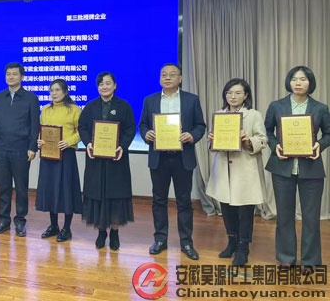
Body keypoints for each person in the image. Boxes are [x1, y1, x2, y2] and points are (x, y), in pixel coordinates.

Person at [264, 66, 330, 273]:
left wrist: (320, 145)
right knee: (284, 215)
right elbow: (268, 131)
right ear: (289, 82)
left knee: (311, 217)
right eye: (294, 79)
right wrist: (275, 146)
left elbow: (328, 134)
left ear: (310, 82)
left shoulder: (320, 108)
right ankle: (286, 258)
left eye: (303, 79)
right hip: (282, 168)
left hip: (311, 168)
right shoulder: (276, 106)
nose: (298, 83)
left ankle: (309, 260)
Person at [139, 63, 206, 260]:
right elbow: (142, 125)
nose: (167, 78)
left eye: (172, 74)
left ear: (180, 78)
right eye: (164, 75)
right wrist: (146, 134)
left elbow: (200, 126)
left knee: (184, 202)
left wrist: (192, 135)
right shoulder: (150, 100)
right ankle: (160, 239)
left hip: (182, 157)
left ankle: (186, 241)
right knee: (158, 200)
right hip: (159, 158)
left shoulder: (191, 100)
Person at [205, 78, 267, 266]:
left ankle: (243, 248)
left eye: (238, 93)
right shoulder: (219, 115)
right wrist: (212, 140)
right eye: (229, 93)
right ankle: (231, 242)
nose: (233, 96)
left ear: (245, 95)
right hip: (223, 169)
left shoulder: (253, 115)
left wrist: (247, 140)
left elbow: (262, 139)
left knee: (245, 212)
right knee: (226, 209)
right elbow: (213, 145)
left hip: (245, 169)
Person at [78, 72, 135, 251]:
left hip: (116, 160)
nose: (104, 86)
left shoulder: (124, 106)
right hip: (95, 160)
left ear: (115, 85)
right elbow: (82, 127)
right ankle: (101, 232)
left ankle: (115, 233)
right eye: (101, 84)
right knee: (98, 195)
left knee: (115, 195)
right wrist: (88, 143)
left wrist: (122, 146)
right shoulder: (90, 106)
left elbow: (130, 129)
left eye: (108, 83)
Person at [0, 62, 40, 237]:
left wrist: (32, 147)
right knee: (3, 188)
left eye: (14, 74)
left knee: (21, 188)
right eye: (8, 74)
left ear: (22, 77)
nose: (11, 77)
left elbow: (34, 125)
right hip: (2, 149)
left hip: (21, 150)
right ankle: (3, 220)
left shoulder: (31, 98)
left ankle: (20, 221)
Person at [36, 79, 83, 242]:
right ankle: (53, 225)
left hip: (66, 155)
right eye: (52, 90)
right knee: (51, 189)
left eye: (57, 90)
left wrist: (69, 142)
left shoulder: (74, 110)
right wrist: (39, 140)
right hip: (48, 155)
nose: (54, 93)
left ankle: (66, 228)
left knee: (66, 190)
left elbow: (81, 131)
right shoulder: (46, 109)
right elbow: (41, 129)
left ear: (65, 92)